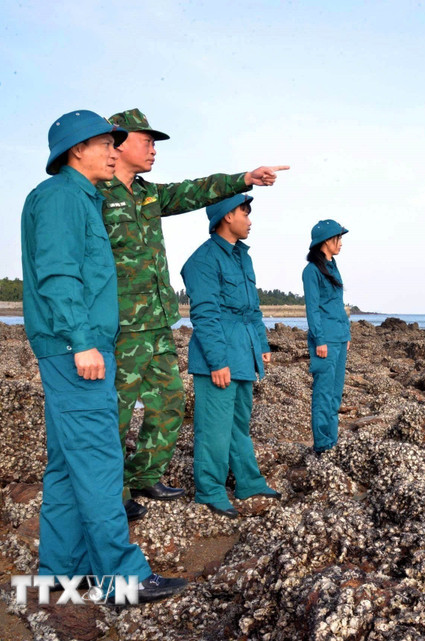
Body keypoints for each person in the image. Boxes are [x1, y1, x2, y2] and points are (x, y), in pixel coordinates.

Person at [21, 110, 186, 603]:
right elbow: (57, 274)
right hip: (78, 350)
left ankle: (59, 572)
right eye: (105, 144)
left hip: (77, 347)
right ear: (77, 150)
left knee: (68, 466)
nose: (115, 152)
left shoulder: (80, 198)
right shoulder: (61, 197)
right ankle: (121, 578)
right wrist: (82, 341)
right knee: (99, 461)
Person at [96, 108, 289, 521]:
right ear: (117, 142)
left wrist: (245, 179)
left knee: (168, 404)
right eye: (146, 140)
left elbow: (195, 190)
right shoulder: (94, 191)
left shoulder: (148, 194)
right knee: (114, 412)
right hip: (119, 325)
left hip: (158, 322)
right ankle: (114, 492)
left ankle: (146, 474)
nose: (153, 149)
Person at [181, 194, 282, 518]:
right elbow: (205, 314)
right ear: (227, 217)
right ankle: (209, 491)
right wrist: (217, 361)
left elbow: (252, 308)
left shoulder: (243, 257)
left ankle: (249, 482)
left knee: (239, 423)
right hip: (219, 356)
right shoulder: (203, 260)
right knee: (214, 428)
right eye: (244, 213)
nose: (250, 220)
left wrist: (262, 346)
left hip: (244, 351)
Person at [302, 220, 351, 456]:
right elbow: (312, 309)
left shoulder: (333, 266)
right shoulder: (311, 271)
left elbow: (337, 305)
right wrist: (319, 340)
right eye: (337, 239)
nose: (341, 243)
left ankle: (332, 441)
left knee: (335, 393)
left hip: (339, 338)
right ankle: (322, 445)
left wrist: (347, 334)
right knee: (323, 393)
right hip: (325, 341)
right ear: (325, 241)